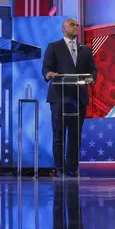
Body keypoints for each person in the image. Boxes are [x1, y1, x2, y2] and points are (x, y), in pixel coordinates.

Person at [42, 18, 97, 177]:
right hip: (59, 97)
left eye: (77, 25)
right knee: (58, 134)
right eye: (72, 25)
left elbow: (93, 70)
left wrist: (92, 78)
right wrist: (48, 74)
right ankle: (60, 168)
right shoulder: (54, 47)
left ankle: (72, 168)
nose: (76, 26)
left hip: (78, 97)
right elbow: (46, 67)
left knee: (75, 135)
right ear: (64, 29)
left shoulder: (85, 49)